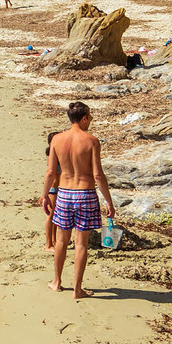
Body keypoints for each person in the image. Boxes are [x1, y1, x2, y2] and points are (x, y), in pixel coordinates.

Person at [45, 100, 116, 299]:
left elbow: (50, 172)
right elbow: (98, 175)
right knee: (81, 244)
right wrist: (109, 201)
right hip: (85, 194)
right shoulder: (91, 141)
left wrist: (44, 195)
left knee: (61, 240)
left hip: (64, 194)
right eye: (90, 117)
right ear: (84, 118)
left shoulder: (57, 139)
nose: (90, 120)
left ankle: (56, 282)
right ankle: (77, 289)